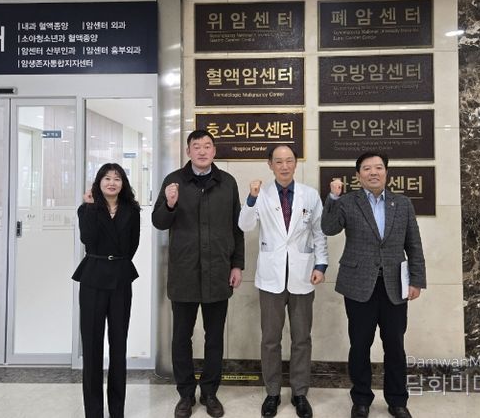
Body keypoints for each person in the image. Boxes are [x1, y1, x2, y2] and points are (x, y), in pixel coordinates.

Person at [321, 152, 426, 418]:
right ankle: (361, 400)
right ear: (358, 176)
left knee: (395, 345)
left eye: (378, 167)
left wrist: (416, 280)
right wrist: (333, 197)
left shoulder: (402, 204)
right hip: (358, 284)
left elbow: (413, 244)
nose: (373, 172)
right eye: (367, 168)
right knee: (360, 345)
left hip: (394, 285)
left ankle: (397, 400)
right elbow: (329, 228)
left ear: (386, 172)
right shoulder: (348, 202)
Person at [152, 129, 245, 418]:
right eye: (197, 146)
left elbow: (237, 227)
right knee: (181, 337)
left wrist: (237, 264)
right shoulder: (174, 181)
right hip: (184, 273)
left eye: (207, 146)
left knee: (214, 337)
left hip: (218, 272)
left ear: (214, 151)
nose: (202, 151)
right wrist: (169, 204)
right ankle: (185, 394)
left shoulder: (227, 182)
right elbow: (158, 222)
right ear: (188, 151)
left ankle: (209, 392)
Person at [238, 145, 328, 418]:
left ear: (295, 164)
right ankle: (273, 393)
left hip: (303, 274)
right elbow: (244, 225)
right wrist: (251, 198)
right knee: (270, 340)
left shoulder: (310, 195)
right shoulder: (261, 194)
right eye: (279, 161)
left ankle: (300, 393)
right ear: (270, 165)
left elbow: (319, 232)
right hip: (271, 278)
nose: (285, 166)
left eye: (289, 161)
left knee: (302, 338)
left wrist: (321, 264)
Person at [72, 163, 142, 418]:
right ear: (99, 182)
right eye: (107, 178)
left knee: (118, 345)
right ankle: (93, 412)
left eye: (117, 179)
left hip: (120, 278)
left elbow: (132, 245)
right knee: (91, 347)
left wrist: (116, 261)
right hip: (93, 278)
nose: (112, 183)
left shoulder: (132, 210)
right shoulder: (87, 208)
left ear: (123, 183)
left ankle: (116, 411)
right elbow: (88, 239)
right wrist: (91, 207)